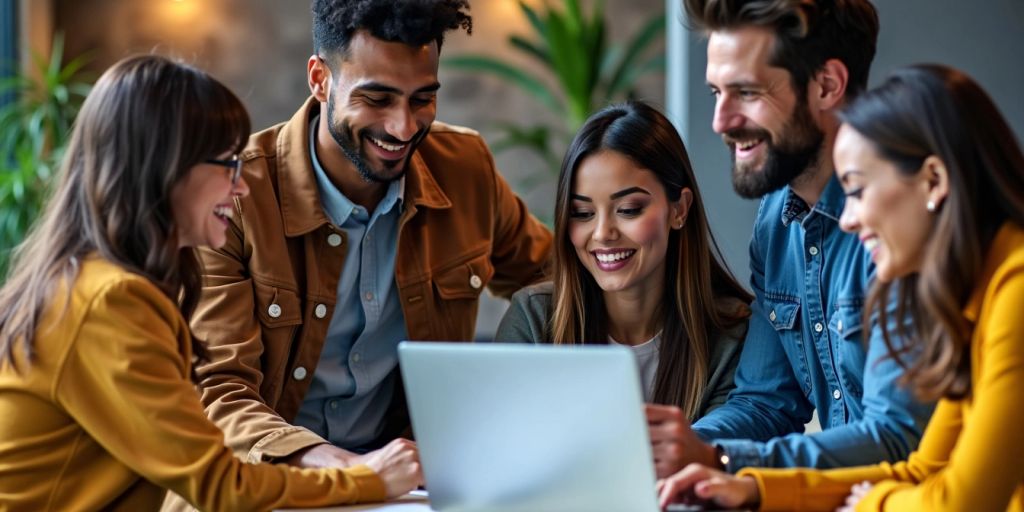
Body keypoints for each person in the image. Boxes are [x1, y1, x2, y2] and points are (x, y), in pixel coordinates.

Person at [0, 55, 420, 511]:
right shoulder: (110, 301)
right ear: (165, 168)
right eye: (228, 165)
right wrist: (367, 480)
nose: (241, 188)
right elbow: (222, 486)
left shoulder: (90, 281)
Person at [182, 0, 551, 477]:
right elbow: (218, 391)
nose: (403, 126)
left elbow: (555, 281)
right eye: (377, 99)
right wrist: (352, 473)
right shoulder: (235, 196)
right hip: (273, 483)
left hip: (411, 484)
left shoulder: (466, 169)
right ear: (319, 79)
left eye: (422, 99)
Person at [658, 63, 1024, 512]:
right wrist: (754, 488)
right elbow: (922, 469)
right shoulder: (975, 295)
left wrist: (872, 504)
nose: (847, 219)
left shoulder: (1016, 289)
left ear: (934, 181)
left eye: (857, 189)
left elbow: (960, 500)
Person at [645, 0, 935, 477]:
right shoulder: (775, 219)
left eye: (746, 92)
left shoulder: (901, 218)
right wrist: (666, 450)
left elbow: (901, 437)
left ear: (826, 86)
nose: (721, 120)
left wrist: (720, 459)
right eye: (717, 92)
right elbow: (766, 402)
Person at [494, 101, 752, 476]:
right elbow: (501, 455)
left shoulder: (730, 333)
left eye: (628, 209)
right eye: (582, 213)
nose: (602, 235)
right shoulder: (535, 318)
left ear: (679, 210)